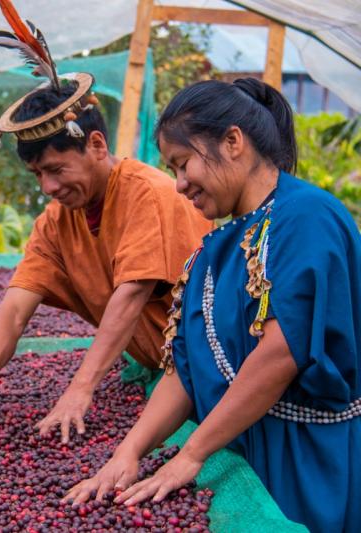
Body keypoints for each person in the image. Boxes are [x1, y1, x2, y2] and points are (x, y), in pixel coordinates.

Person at [63, 78, 361, 533]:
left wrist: (194, 453)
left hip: (312, 460)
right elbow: (183, 369)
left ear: (233, 142)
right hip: (248, 450)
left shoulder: (306, 217)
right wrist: (129, 452)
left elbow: (280, 354)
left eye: (183, 164)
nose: (179, 185)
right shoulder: (215, 248)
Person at [0, 0, 212, 445]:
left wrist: (80, 390)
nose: (47, 187)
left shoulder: (146, 193)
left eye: (56, 170)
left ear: (96, 144)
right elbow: (15, 308)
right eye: (38, 174)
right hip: (161, 366)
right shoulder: (56, 222)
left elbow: (131, 295)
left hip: (208, 375)